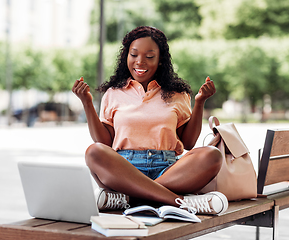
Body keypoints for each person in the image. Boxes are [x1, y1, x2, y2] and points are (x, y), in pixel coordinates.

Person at [72, 26, 228, 215]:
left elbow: (188, 143)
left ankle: (129, 199)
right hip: (124, 171)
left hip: (168, 170)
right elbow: (104, 143)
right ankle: (181, 203)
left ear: (160, 60)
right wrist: (87, 103)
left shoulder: (178, 94)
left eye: (149, 56)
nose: (140, 62)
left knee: (212, 155)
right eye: (134, 54)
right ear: (126, 57)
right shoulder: (113, 93)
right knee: (94, 151)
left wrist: (200, 102)